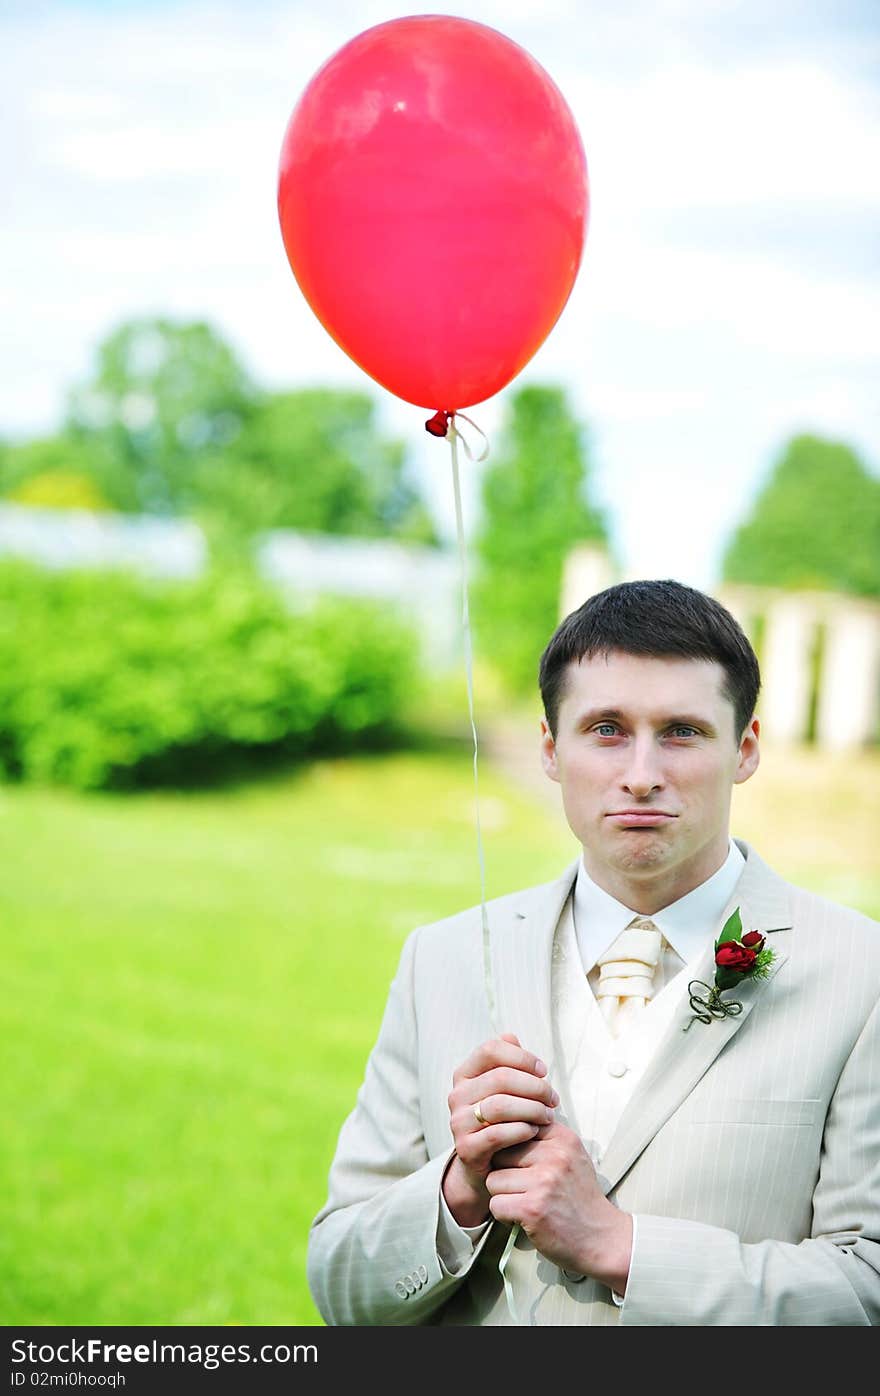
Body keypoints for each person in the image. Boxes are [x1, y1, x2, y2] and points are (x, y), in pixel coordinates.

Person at [307, 579, 880, 1325]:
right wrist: (458, 1194)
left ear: (744, 750)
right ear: (551, 750)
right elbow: (342, 1289)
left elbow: (866, 1289)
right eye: (605, 729)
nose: (641, 774)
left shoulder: (861, 974)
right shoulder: (440, 959)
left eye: (682, 731)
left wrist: (621, 1247)